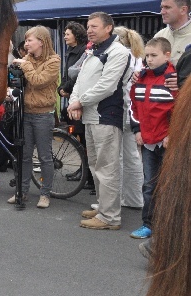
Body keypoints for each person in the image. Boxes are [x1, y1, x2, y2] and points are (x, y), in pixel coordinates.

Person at [68, 12, 131, 230]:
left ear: (109, 28)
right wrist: (75, 101)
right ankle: (103, 207)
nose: (89, 30)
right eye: (88, 26)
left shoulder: (118, 52)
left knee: (107, 167)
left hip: (107, 116)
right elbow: (80, 80)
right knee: (96, 165)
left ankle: (110, 217)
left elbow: (108, 85)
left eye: (94, 26)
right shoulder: (92, 51)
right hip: (91, 115)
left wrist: (80, 102)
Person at [128, 37, 176, 240]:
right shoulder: (140, 78)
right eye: (147, 55)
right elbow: (133, 107)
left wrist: (172, 134)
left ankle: (169, 226)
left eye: (153, 55)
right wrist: (137, 129)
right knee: (149, 184)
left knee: (170, 185)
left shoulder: (174, 79)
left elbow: (180, 110)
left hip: (167, 140)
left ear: (167, 55)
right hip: (147, 140)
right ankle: (148, 223)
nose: (149, 59)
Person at [8, 26, 60, 209]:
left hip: (43, 114)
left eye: (30, 40)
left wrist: (25, 65)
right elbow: (21, 83)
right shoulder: (26, 60)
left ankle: (45, 194)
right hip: (25, 112)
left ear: (42, 42)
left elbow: (38, 81)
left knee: (45, 156)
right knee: (24, 155)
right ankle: (22, 192)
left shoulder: (54, 61)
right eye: (26, 40)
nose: (26, 43)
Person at [57, 21, 94, 190]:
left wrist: (66, 88)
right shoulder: (70, 52)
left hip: (80, 100)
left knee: (85, 140)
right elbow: (67, 75)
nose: (65, 36)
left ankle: (89, 176)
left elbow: (79, 76)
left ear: (76, 35)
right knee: (80, 139)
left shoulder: (83, 51)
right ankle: (83, 170)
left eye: (67, 33)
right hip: (72, 97)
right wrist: (62, 89)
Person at [113, 26, 145, 209]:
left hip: (123, 108)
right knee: (132, 156)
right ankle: (134, 199)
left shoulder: (121, 55)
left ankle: (115, 199)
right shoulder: (137, 57)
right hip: (133, 111)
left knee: (117, 157)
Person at [153, 0, 191, 65]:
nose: (162, 12)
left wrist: (184, 77)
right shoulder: (159, 36)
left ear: (183, 10)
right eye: (162, 7)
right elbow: (148, 64)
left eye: (167, 7)